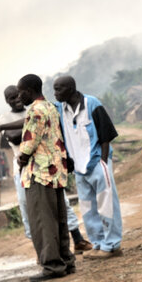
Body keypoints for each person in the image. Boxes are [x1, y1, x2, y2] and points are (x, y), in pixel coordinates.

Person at [0, 85, 91, 252]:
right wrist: (39, 127)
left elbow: (42, 127)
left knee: (61, 201)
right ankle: (40, 250)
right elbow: (13, 138)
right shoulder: (5, 118)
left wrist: (35, 127)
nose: (17, 99)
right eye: (12, 98)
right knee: (28, 206)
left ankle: (77, 239)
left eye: (18, 95)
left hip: (45, 161)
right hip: (23, 164)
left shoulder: (36, 109)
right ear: (7, 101)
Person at [53, 75, 123, 260]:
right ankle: (98, 243)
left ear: (70, 88)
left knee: (107, 205)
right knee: (88, 208)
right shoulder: (60, 109)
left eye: (58, 89)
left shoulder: (91, 103)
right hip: (79, 168)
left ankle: (112, 245)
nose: (55, 93)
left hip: (97, 163)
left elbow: (105, 134)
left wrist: (103, 162)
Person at [16, 74, 75, 282]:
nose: (18, 96)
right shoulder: (50, 106)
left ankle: (52, 265)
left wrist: (21, 158)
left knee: (43, 221)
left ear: (29, 91)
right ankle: (66, 260)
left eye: (20, 92)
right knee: (59, 218)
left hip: (39, 173)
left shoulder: (35, 110)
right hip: (56, 170)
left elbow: (29, 142)